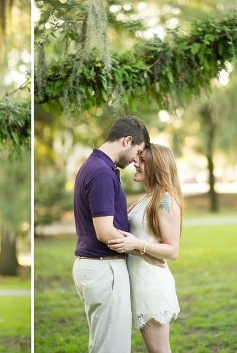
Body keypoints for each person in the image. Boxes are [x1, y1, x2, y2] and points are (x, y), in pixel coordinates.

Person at [71, 115, 162, 353]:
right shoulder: (101, 171)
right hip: (104, 268)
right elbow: (105, 231)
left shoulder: (96, 166)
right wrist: (145, 252)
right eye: (138, 151)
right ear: (126, 141)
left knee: (105, 345)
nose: (135, 160)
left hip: (98, 267)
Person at [108, 144, 183, 353]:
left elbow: (173, 250)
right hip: (140, 281)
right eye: (137, 158)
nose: (135, 162)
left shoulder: (166, 200)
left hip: (151, 285)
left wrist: (137, 244)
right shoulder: (147, 198)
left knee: (159, 350)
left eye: (142, 160)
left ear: (157, 167)